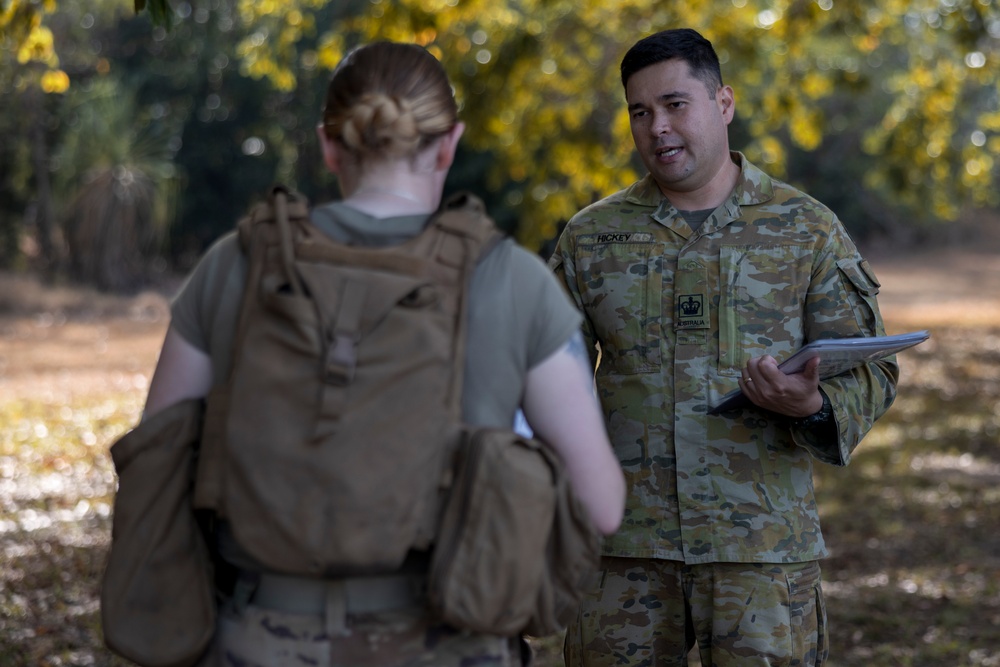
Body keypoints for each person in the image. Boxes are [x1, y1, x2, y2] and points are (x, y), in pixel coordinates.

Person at [143, 40, 625, 666]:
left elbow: (154, 458)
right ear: (448, 144)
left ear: (329, 143)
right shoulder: (511, 279)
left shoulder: (236, 265)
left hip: (258, 638)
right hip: (453, 641)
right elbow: (602, 504)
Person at [548, 28, 899, 666]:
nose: (657, 127)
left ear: (724, 103)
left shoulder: (805, 229)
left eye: (675, 104)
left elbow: (873, 369)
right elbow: (542, 380)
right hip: (623, 555)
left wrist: (812, 405)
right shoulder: (591, 238)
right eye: (639, 111)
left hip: (759, 555)